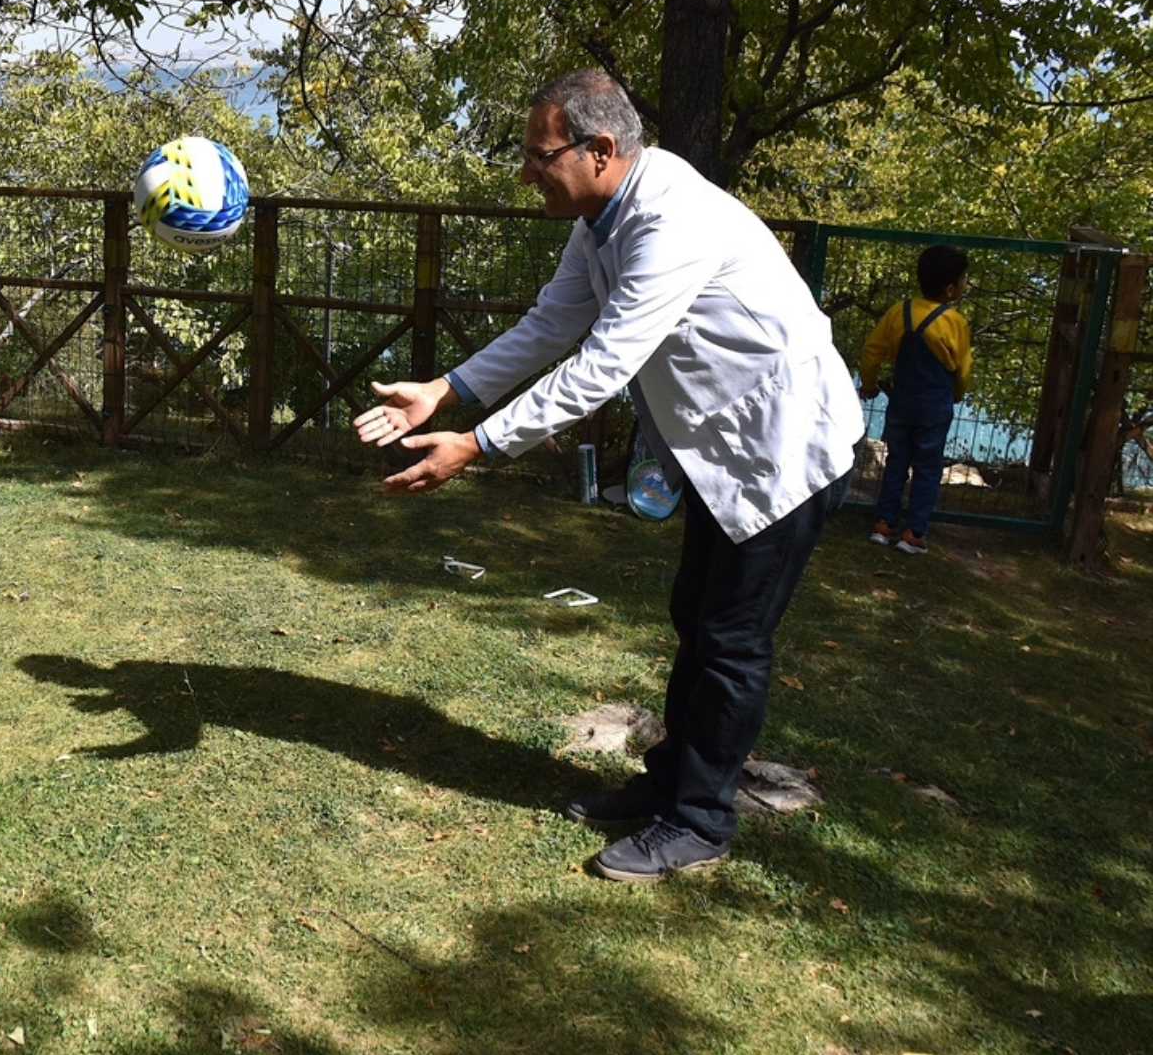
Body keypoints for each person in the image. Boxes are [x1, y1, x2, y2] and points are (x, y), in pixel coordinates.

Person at [353, 70, 864, 882]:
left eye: (537, 156)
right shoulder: (599, 215)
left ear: (598, 150)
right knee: (695, 617)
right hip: (722, 451)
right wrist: (443, 392)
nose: (526, 174)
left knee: (730, 640)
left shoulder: (672, 220)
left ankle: (698, 821)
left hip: (781, 449)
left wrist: (476, 444)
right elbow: (551, 322)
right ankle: (670, 785)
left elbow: (601, 367)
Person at [858, 245, 972, 555]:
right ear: (951, 289)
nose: (965, 284)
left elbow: (871, 351)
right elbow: (962, 369)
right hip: (935, 402)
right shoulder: (955, 322)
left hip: (902, 399)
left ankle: (884, 524)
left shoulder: (899, 311)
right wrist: (957, 394)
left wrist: (869, 384)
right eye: (964, 279)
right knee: (927, 466)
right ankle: (914, 532)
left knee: (896, 460)